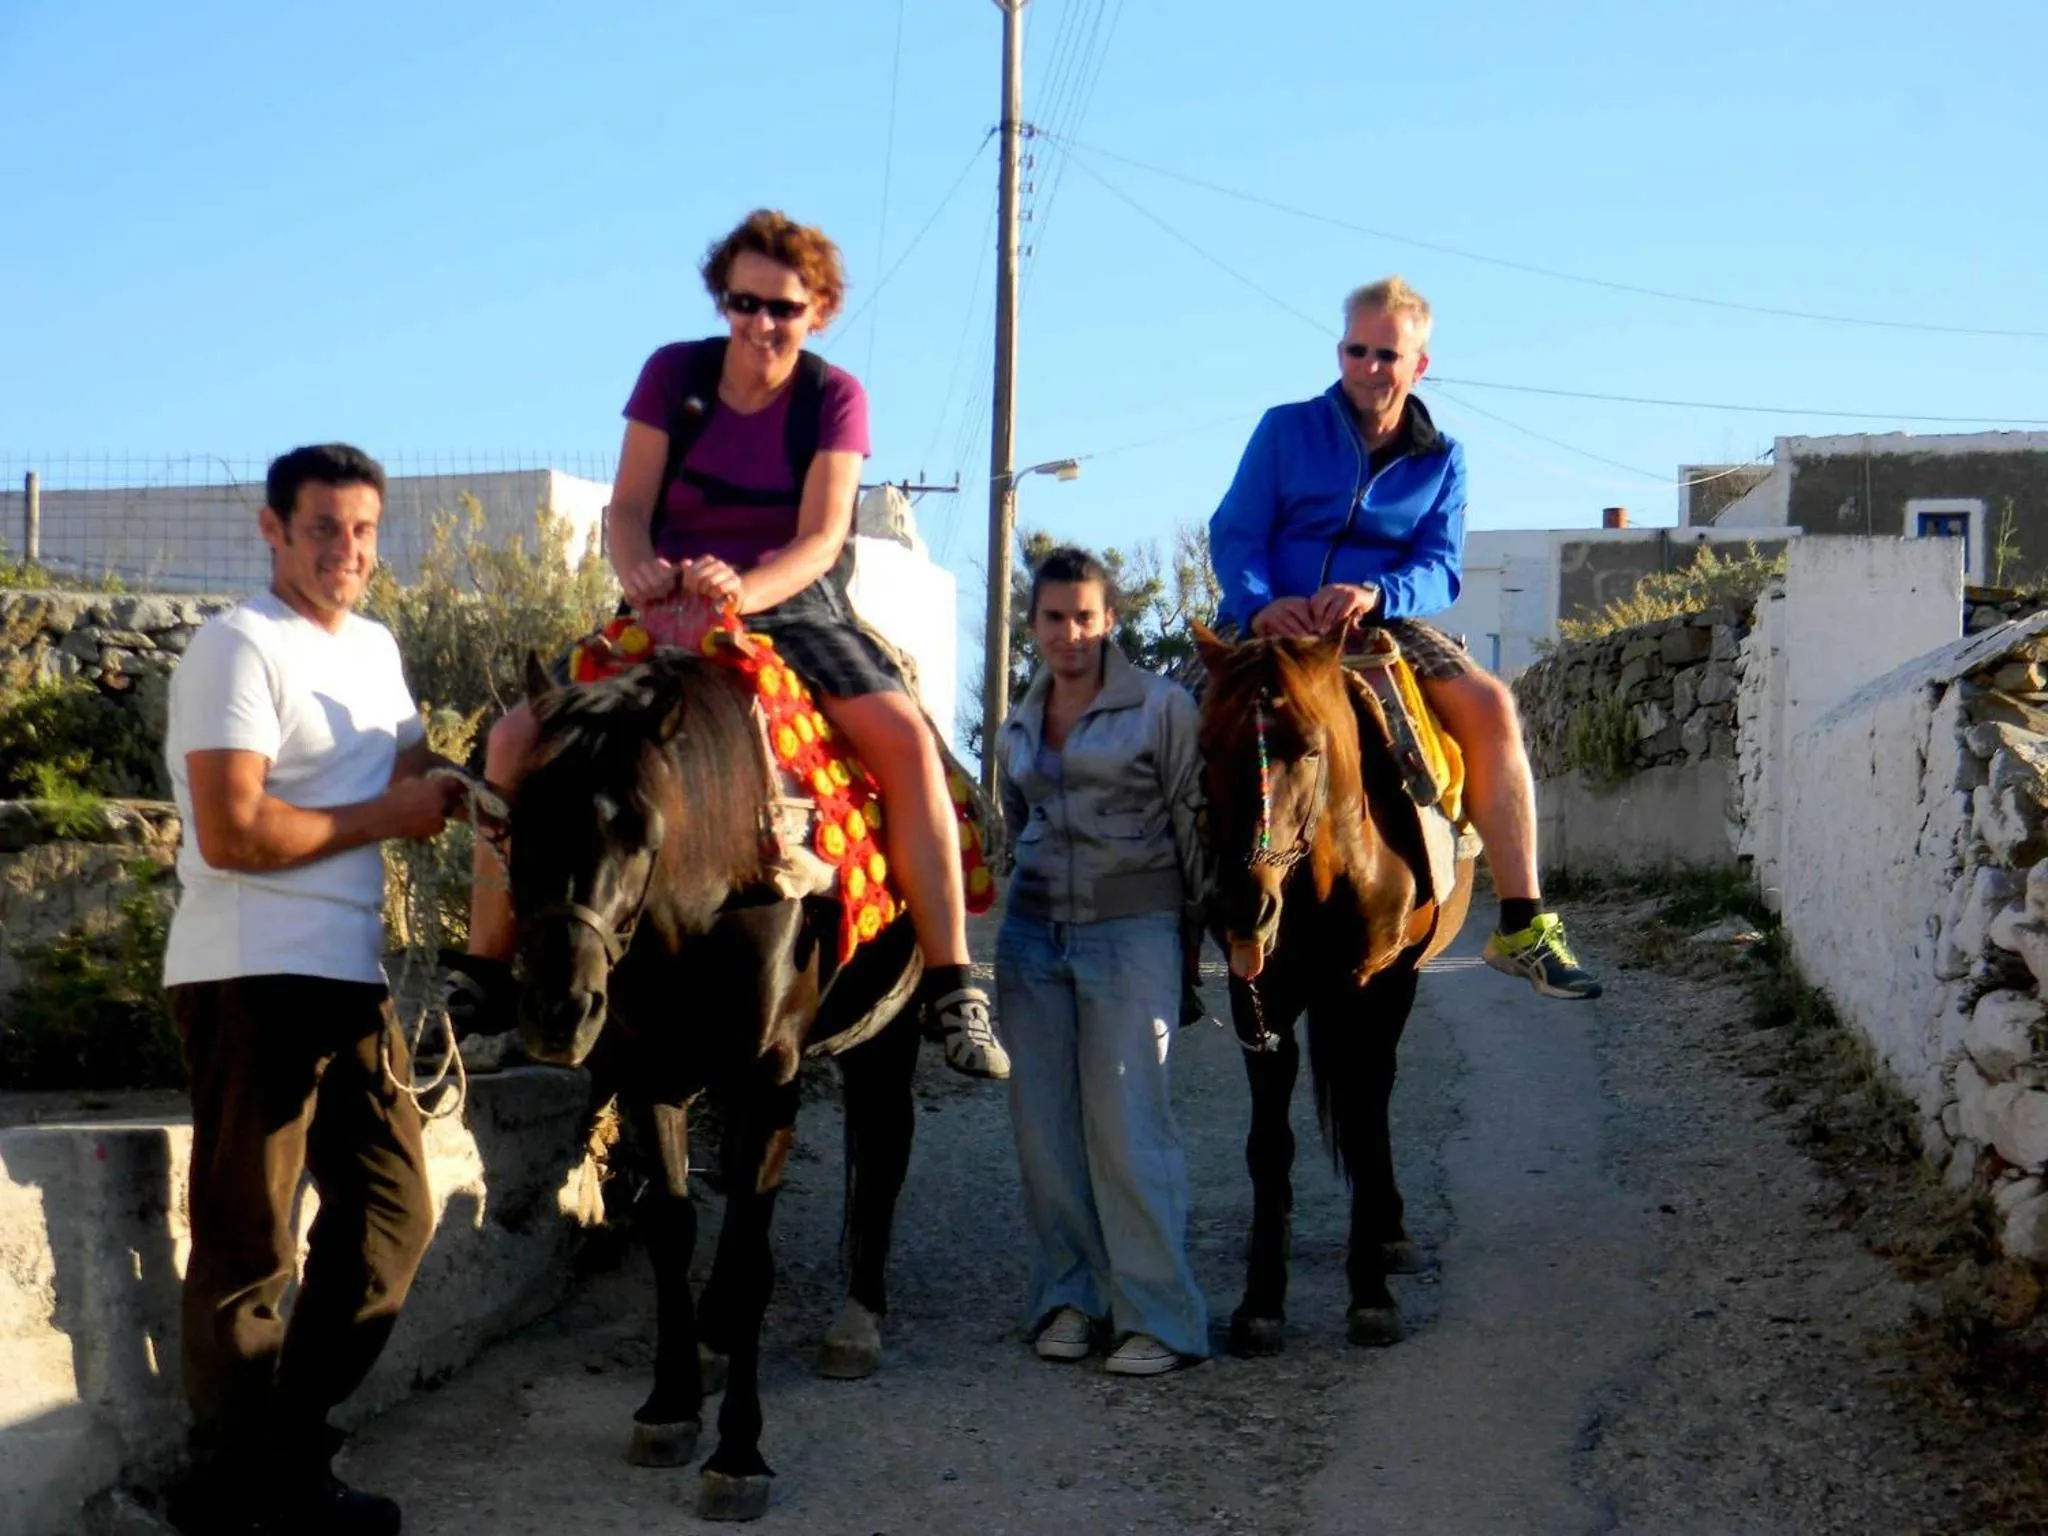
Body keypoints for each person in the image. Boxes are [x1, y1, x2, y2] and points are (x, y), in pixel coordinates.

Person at [445, 208, 1008, 1078]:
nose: (762, 324)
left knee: (904, 742)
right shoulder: (674, 375)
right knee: (517, 739)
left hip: (793, 608)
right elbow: (628, 508)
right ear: (724, 301)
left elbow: (823, 537)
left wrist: (743, 591)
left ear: (817, 309)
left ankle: (950, 980)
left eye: (784, 307)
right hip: (666, 609)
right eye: (745, 303)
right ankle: (483, 973)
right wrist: (640, 573)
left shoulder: (834, 398)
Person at [162, 444, 467, 1535]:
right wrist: (388, 819)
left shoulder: (376, 649)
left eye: (365, 531)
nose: (348, 551)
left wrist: (493, 775)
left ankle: (268, 1458)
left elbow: (410, 778)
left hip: (349, 980)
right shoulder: (236, 646)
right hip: (245, 971)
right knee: (250, 1245)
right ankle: (246, 1483)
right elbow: (234, 830)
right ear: (274, 530)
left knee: (393, 1217)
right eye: (325, 529)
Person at [1208, 276, 1601, 1000]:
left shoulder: (1443, 458)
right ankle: (1162, 929)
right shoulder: (1284, 429)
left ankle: (1524, 922)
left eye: (1387, 354)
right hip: (1269, 624)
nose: (1369, 366)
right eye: (1357, 350)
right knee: (1171, 720)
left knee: (1491, 707)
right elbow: (1236, 531)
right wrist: (1262, 605)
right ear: (1340, 353)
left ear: (1419, 365)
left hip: (1378, 624)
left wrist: (1376, 592)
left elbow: (1441, 567)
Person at [995, 547, 1211, 1376]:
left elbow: (1193, 825)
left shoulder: (1163, 706)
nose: (1071, 633)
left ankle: (1159, 1316)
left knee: (1128, 1131)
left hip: (1134, 933)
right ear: (1035, 625)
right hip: (1031, 940)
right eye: (1055, 618)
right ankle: (1071, 1300)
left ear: (1110, 619)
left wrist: (1195, 944)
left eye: (1086, 616)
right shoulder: (1021, 719)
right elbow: (1017, 823)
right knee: (1045, 1134)